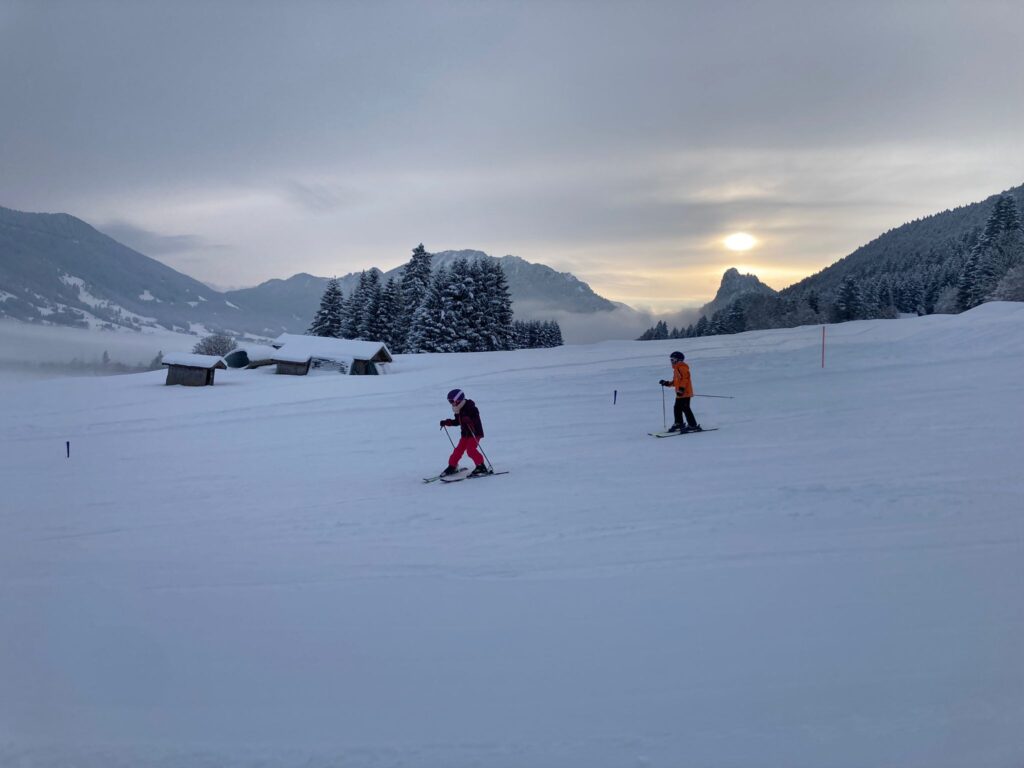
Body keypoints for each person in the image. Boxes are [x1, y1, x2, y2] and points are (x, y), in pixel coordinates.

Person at [439, 388, 491, 477]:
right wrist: (447, 422)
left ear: (458, 399)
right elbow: (458, 421)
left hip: (474, 433)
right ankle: (452, 466)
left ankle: (481, 467)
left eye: (452, 401)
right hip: (465, 434)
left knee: (471, 450)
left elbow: (475, 419)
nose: (451, 403)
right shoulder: (458, 409)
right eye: (449, 401)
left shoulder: (470, 407)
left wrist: (469, 420)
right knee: (458, 450)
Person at [660, 351, 702, 433]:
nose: (671, 361)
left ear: (678, 360)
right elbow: (676, 382)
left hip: (684, 392)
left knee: (686, 408)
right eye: (671, 359)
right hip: (680, 393)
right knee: (677, 408)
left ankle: (693, 425)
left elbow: (685, 379)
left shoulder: (682, 367)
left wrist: (681, 389)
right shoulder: (676, 369)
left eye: (673, 359)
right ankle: (679, 423)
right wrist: (666, 383)